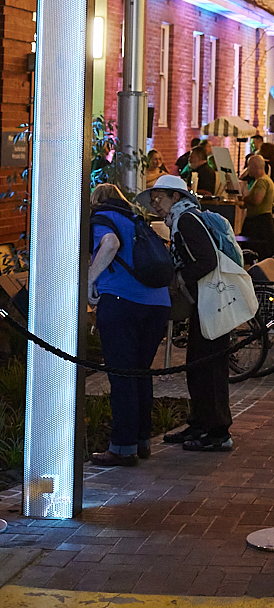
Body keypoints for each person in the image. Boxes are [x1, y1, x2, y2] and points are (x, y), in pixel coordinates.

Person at [141, 175, 235, 452]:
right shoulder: (184, 219)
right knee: (198, 363)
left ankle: (217, 430)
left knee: (209, 366)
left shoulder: (185, 220)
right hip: (205, 301)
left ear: (177, 197)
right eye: (154, 198)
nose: (156, 203)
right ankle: (201, 423)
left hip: (210, 301)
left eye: (161, 197)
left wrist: (180, 279)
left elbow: (207, 259)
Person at [87, 183, 172, 466]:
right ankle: (141, 441)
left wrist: (88, 280)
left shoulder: (101, 217)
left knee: (122, 375)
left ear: (96, 201)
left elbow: (110, 244)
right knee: (139, 372)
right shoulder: (138, 220)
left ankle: (122, 448)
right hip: (158, 304)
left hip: (123, 302)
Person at [241, 152, 274, 259]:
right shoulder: (266, 180)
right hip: (263, 221)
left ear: (254, 166)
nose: (247, 169)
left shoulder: (261, 181)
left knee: (257, 253)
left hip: (259, 223)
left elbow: (257, 200)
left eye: (249, 166)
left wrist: (244, 199)